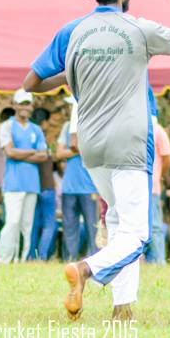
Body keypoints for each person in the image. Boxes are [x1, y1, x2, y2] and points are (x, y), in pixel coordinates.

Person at [23, 0, 170, 321]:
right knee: (138, 233)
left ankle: (122, 308)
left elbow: (31, 82)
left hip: (91, 144)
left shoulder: (73, 31)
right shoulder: (137, 28)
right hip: (129, 142)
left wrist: (76, 73)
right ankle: (85, 269)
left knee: (117, 220)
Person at [0, 89, 48, 263]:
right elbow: (10, 152)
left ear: (32, 106)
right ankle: (4, 259)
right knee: (12, 221)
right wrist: (32, 151)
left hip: (31, 183)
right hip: (13, 183)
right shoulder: (7, 126)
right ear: (15, 105)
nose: (25, 107)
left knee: (27, 225)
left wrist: (21, 153)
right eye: (22, 104)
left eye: (28, 104)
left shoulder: (36, 129)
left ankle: (22, 260)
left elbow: (44, 155)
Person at [55, 98, 99, 261]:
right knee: (69, 227)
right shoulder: (67, 127)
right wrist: (79, 150)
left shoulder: (94, 125)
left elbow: (96, 152)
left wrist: (76, 149)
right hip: (69, 187)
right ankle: (70, 260)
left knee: (92, 227)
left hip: (90, 187)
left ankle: (94, 261)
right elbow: (59, 154)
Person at [30, 107, 59, 261]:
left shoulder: (29, 137)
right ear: (44, 122)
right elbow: (53, 159)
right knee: (49, 224)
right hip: (47, 186)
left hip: (34, 187)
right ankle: (41, 256)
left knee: (34, 224)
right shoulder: (43, 140)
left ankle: (30, 255)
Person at [145, 116, 170, 264]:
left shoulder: (157, 130)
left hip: (152, 187)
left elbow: (168, 158)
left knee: (155, 225)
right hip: (135, 188)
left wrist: (159, 175)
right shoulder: (133, 127)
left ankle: (159, 261)